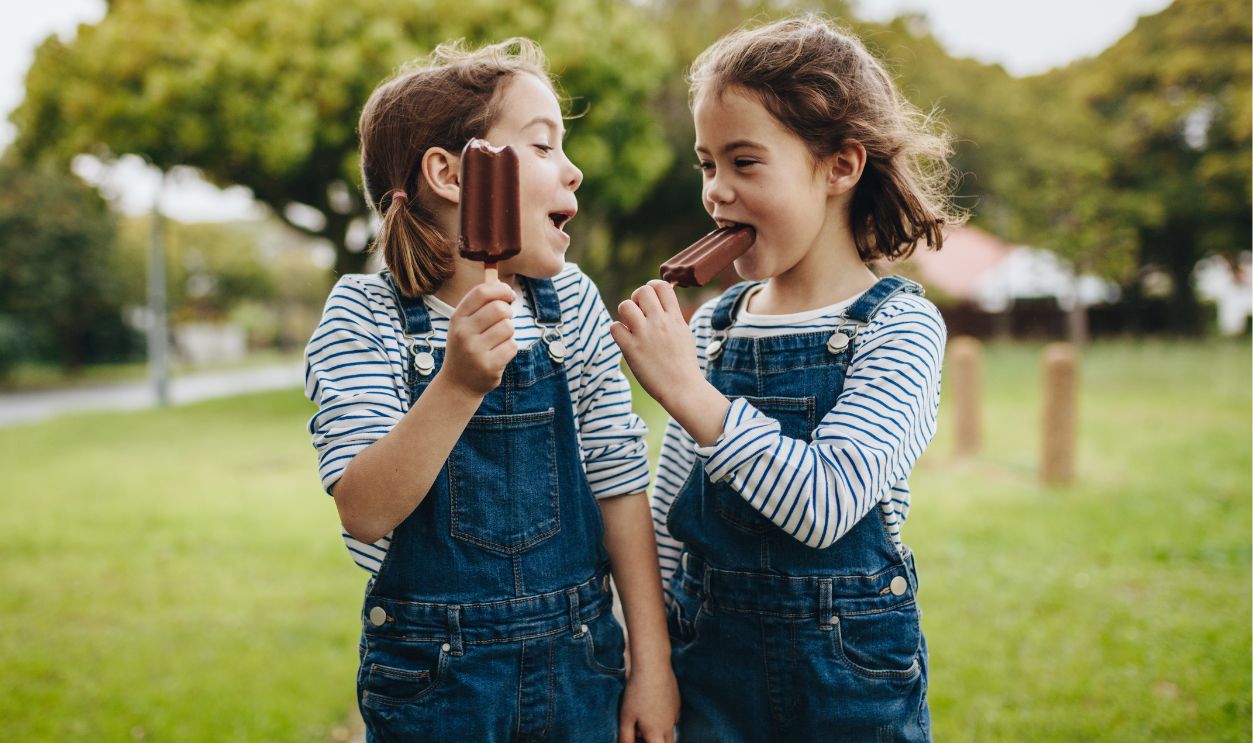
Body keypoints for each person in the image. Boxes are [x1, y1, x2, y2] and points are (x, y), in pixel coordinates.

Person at [304, 38, 678, 743]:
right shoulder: (365, 315)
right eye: (542, 147)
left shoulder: (569, 302)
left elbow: (621, 482)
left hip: (582, 667)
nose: (573, 170)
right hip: (438, 687)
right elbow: (364, 509)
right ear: (450, 174)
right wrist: (457, 383)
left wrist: (650, 663)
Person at [611, 15, 963, 742]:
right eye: (707, 165)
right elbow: (672, 525)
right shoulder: (714, 326)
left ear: (839, 166)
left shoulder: (897, 328)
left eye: (744, 162)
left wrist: (689, 392)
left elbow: (826, 501)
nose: (716, 192)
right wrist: (645, 659)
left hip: (846, 680)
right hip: (708, 665)